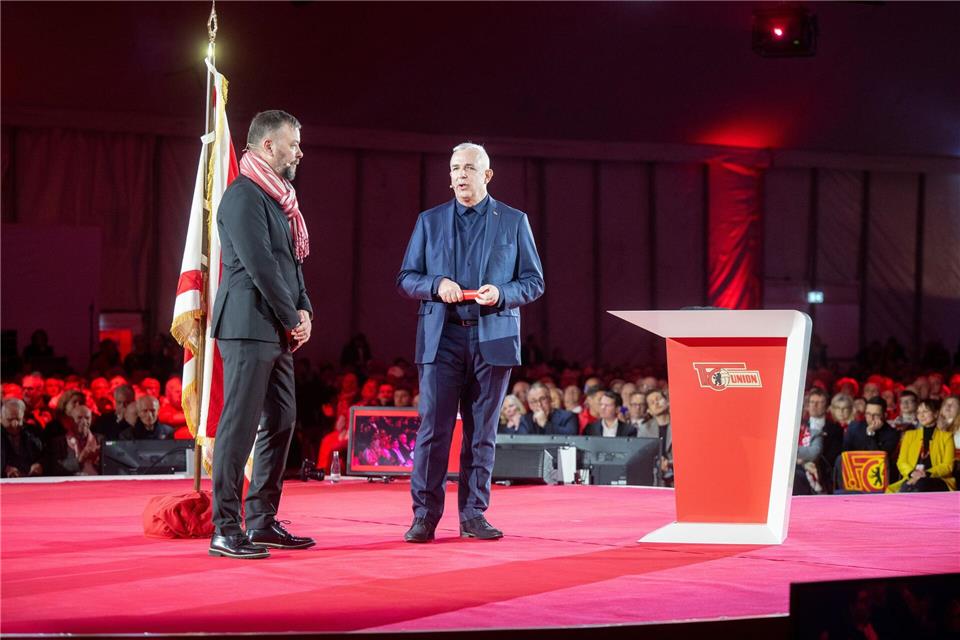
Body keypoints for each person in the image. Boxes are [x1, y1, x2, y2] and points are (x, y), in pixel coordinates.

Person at [397, 142, 544, 542]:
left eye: (469, 168)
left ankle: (473, 515)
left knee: (482, 432)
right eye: (455, 168)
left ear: (487, 176)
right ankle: (424, 517)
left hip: (492, 335)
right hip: (442, 337)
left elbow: (534, 281)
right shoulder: (430, 221)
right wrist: (435, 284)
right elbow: (406, 277)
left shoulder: (514, 221)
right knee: (434, 430)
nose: (460, 175)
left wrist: (502, 293)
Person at [207, 110, 315, 559]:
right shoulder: (242, 196)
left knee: (282, 419)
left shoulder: (279, 199)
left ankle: (262, 520)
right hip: (248, 325)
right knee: (240, 424)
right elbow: (260, 266)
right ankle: (224, 527)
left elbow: (290, 264)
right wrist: (292, 316)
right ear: (268, 146)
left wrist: (304, 308)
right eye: (293, 144)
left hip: (276, 327)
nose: (299, 152)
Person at [887, 398, 955, 493]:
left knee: (920, 484)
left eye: (925, 411)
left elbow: (948, 466)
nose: (921, 415)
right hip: (912, 477)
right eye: (919, 412)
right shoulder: (909, 435)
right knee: (907, 487)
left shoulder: (946, 437)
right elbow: (901, 462)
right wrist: (912, 473)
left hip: (937, 479)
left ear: (936, 414)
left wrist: (926, 473)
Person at [842, 396, 902, 486]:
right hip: (853, 472)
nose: (871, 418)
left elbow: (878, 459)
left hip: (877, 475)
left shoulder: (892, 434)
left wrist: (870, 433)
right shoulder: (854, 428)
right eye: (868, 414)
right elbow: (845, 453)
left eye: (876, 415)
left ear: (884, 415)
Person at [45, 405, 103, 476]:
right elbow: (56, 469)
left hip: (96, 482)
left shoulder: (100, 440)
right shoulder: (59, 442)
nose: (84, 422)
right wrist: (80, 460)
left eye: (87, 418)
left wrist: (98, 460)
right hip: (69, 484)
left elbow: (108, 466)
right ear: (71, 420)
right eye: (79, 418)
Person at [1, 398, 43, 478]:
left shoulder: (33, 432)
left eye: (18, 419)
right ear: (1, 418)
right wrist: (4, 469)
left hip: (31, 480)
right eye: (10, 420)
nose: (15, 424)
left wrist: (40, 464)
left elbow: (45, 454)